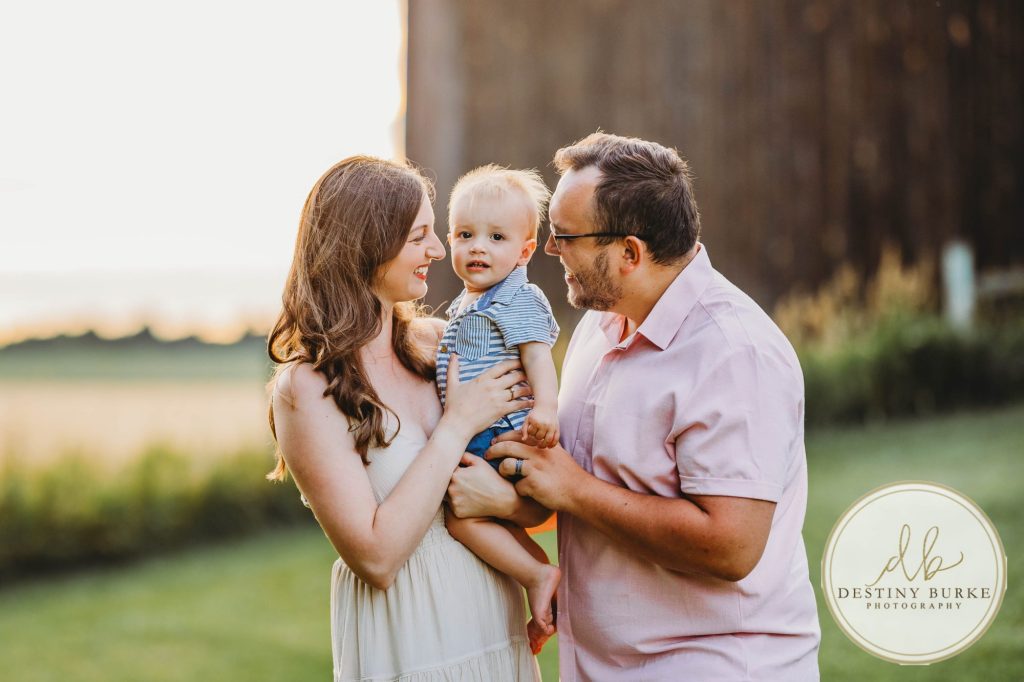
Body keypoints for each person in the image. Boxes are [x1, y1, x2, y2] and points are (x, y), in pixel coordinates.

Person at [485, 133, 822, 680]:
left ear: (629, 253)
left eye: (565, 237)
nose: (551, 251)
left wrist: (573, 488)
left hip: (713, 666)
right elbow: (587, 480)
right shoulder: (601, 319)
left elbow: (731, 545)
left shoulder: (734, 353)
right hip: (607, 664)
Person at [266, 156, 542, 681]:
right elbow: (376, 557)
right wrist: (457, 424)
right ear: (368, 245)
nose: (439, 251)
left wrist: (507, 504)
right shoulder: (306, 388)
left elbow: (530, 496)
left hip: (493, 629)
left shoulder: (443, 343)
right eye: (420, 237)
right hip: (411, 644)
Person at [435, 165, 561, 650]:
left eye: (496, 237)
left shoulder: (518, 298)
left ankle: (534, 576)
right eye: (465, 235)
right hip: (480, 432)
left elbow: (537, 358)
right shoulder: (468, 304)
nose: (477, 247)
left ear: (525, 251)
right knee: (493, 521)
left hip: (501, 433)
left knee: (463, 519)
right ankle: (542, 576)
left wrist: (545, 408)